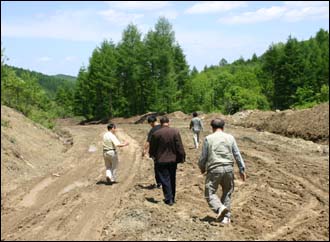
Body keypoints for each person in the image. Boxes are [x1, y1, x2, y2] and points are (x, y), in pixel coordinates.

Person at [198, 118, 246, 224]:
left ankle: (219, 208)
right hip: (229, 168)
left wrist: (202, 168)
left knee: (209, 192)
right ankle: (226, 218)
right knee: (227, 191)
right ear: (223, 127)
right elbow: (237, 154)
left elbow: (203, 157)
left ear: (212, 127)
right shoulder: (230, 138)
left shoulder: (208, 138)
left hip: (214, 168)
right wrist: (242, 170)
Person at [149, 116, 186, 206]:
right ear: (168, 122)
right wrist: (182, 157)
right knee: (172, 178)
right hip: (173, 160)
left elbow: (152, 148)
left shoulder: (156, 134)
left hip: (161, 160)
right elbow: (179, 146)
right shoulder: (175, 132)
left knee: (165, 179)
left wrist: (152, 156)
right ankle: (172, 197)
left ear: (161, 123)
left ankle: (168, 198)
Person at [142, 115, 162, 188]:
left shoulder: (153, 130)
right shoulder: (163, 127)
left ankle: (159, 183)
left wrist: (144, 150)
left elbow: (148, 141)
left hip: (156, 152)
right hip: (165, 150)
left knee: (157, 168)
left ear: (151, 122)